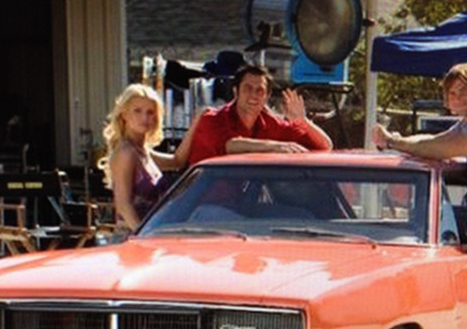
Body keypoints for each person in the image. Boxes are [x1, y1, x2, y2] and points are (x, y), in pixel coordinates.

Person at [372, 63, 467, 247]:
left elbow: (443, 148)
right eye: (452, 93)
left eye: (464, 91)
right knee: (421, 219)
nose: (457, 97)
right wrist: (398, 140)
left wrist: (393, 142)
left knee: (421, 225)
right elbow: (435, 140)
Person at [186, 63, 333, 165]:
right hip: (203, 198)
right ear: (236, 91)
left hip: (247, 199)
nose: (253, 95)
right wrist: (275, 147)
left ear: (267, 96)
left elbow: (325, 147)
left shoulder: (271, 123)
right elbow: (230, 144)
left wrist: (303, 121)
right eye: (247, 88)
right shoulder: (212, 118)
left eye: (260, 90)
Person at [98, 83, 196, 231]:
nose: (144, 117)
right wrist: (142, 235)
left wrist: (195, 124)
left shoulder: (143, 152)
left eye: (150, 112)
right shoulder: (126, 153)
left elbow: (177, 161)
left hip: (153, 231)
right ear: (124, 114)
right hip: (132, 234)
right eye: (137, 111)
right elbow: (123, 205)